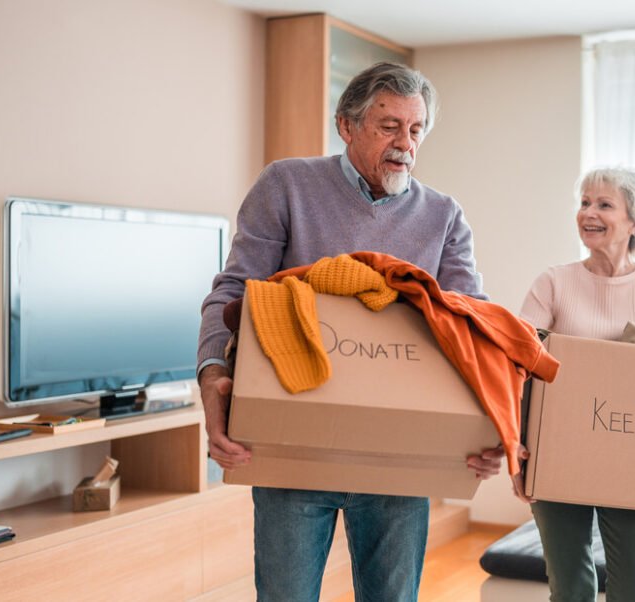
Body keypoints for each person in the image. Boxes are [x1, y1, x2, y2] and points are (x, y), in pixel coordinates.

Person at [196, 62, 504, 602]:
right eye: (389, 126)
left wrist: (492, 426)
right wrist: (212, 377)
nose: (405, 143)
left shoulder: (443, 215)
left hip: (398, 461)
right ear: (346, 125)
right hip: (292, 447)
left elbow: (473, 328)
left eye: (416, 130)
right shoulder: (287, 184)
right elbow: (233, 292)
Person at [517, 167, 635, 602]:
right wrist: (516, 446)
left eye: (603, 204)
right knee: (570, 589)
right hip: (560, 449)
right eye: (584, 203)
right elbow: (515, 363)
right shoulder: (554, 283)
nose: (588, 213)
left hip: (633, 452)